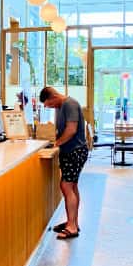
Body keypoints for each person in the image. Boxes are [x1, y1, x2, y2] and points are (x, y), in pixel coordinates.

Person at [39, 87, 87, 240]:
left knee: (66, 185)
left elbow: (71, 130)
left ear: (54, 96)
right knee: (71, 186)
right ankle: (72, 222)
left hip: (75, 151)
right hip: (70, 151)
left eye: (49, 104)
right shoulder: (61, 107)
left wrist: (57, 143)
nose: (50, 107)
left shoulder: (69, 104)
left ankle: (72, 226)